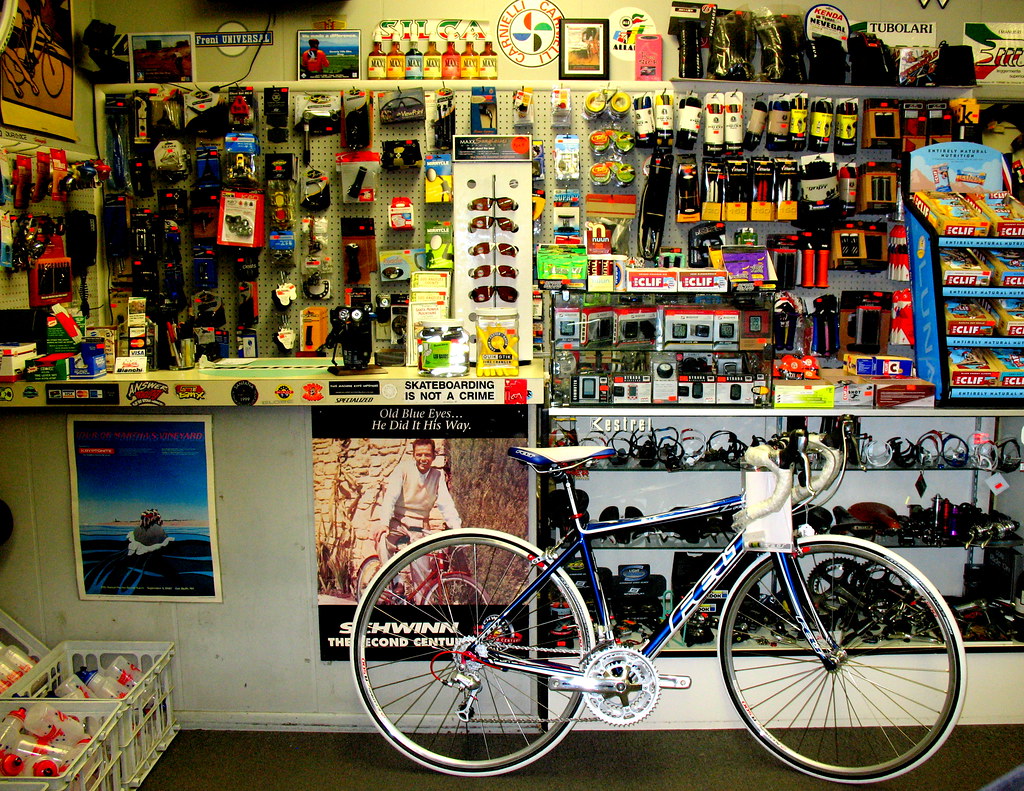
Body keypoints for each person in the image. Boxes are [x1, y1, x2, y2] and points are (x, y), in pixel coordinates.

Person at [376, 439, 462, 596]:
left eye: (427, 455)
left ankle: (421, 602)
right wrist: (384, 523)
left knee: (421, 568)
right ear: (413, 455)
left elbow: (446, 504)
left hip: (420, 524)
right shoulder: (403, 469)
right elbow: (390, 497)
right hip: (398, 521)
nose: (423, 458)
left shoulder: (437, 475)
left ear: (434, 456)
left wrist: (457, 530)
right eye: (419, 454)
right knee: (382, 541)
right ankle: (396, 582)